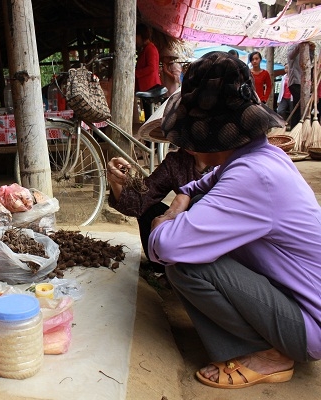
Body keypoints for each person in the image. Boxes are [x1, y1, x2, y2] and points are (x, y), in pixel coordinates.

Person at [150, 51, 321, 389]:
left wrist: (165, 219)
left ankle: (266, 354)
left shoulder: (253, 176)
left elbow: (166, 247)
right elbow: (207, 181)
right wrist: (185, 193)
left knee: (184, 263)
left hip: (307, 325)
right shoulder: (262, 154)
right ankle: (260, 337)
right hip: (301, 302)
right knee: (197, 206)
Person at [106, 100, 211, 273]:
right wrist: (116, 180)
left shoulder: (228, 162)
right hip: (182, 239)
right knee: (148, 209)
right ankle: (165, 265)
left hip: (218, 240)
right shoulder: (176, 163)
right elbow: (141, 200)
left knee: (198, 201)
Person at [135, 23, 161, 93]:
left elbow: (151, 68)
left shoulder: (150, 48)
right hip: (147, 85)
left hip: (150, 85)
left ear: (140, 36)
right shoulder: (146, 48)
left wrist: (136, 73)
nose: (135, 40)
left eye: (136, 37)